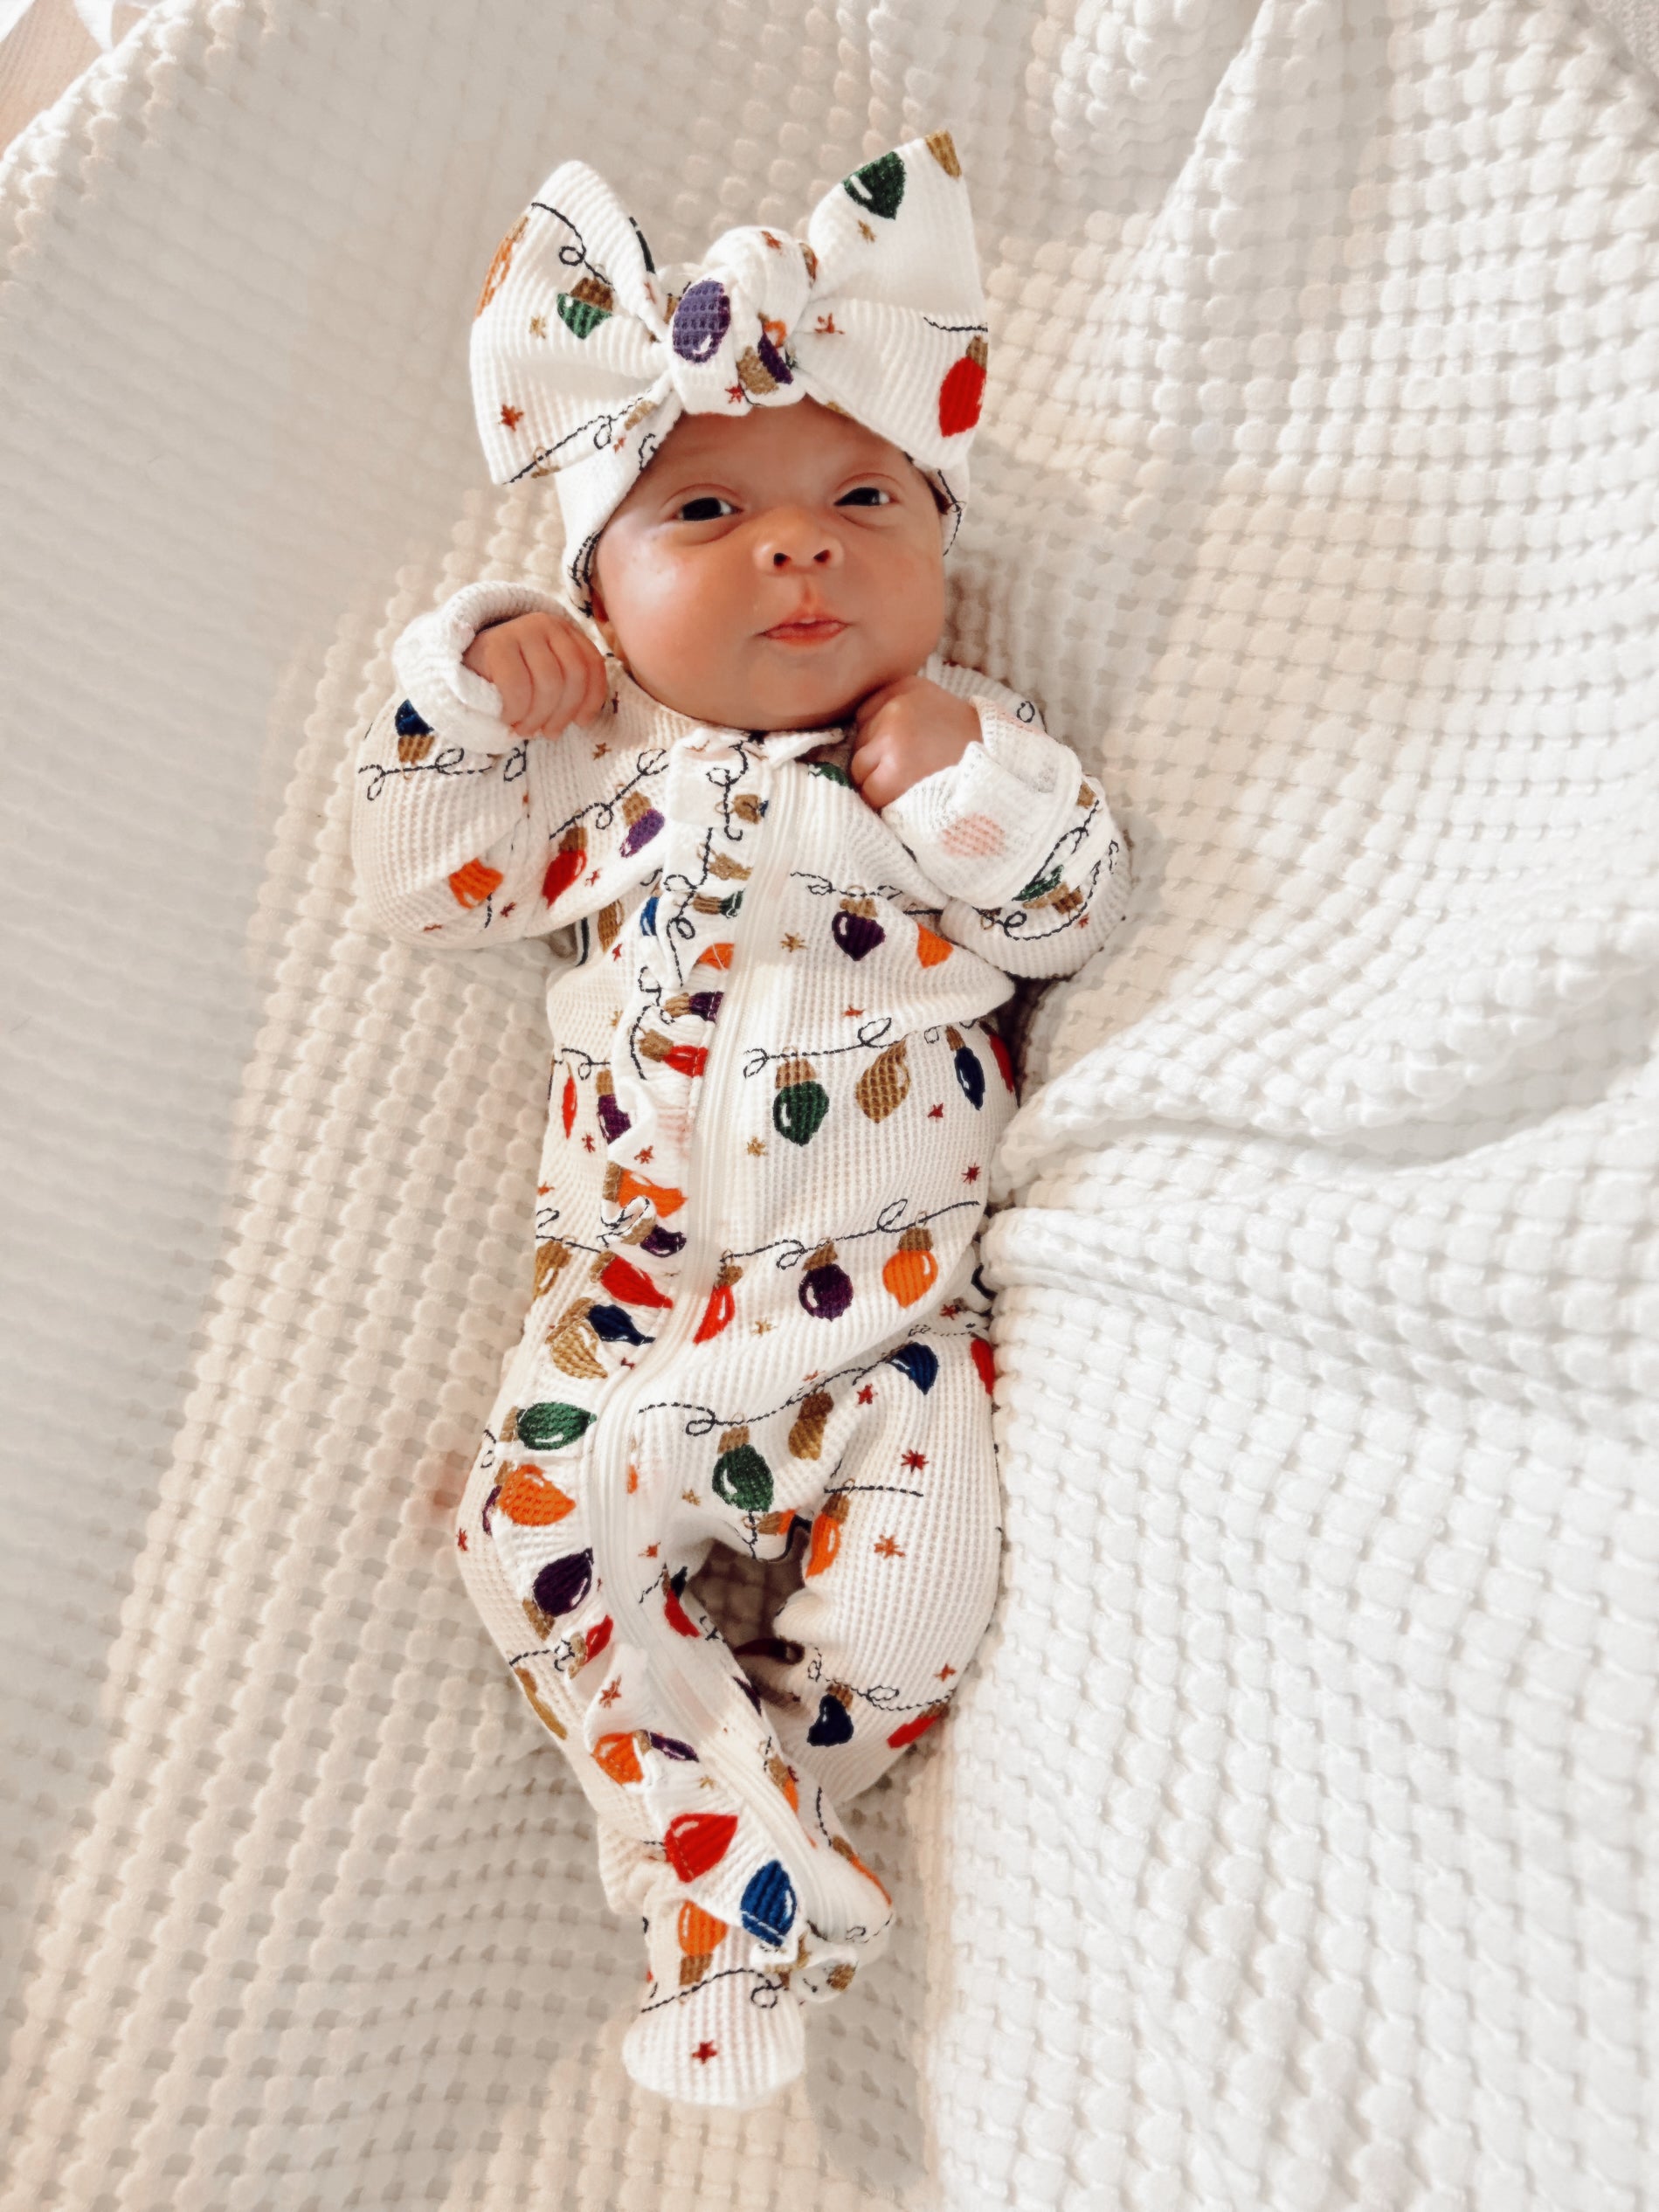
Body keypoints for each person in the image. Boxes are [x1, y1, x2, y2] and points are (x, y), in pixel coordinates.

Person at [349, 133, 1128, 2110]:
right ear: (597, 597)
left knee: (915, 1594)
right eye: (705, 509)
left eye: (862, 498)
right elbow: (424, 879)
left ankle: (772, 1820)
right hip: (630, 1307)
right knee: (523, 1529)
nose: (798, 546)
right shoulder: (607, 785)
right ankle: (734, 1872)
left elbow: (1070, 911)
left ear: (936, 557)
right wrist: (461, 691)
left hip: (885, 1314)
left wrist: (971, 787)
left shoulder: (950, 748)